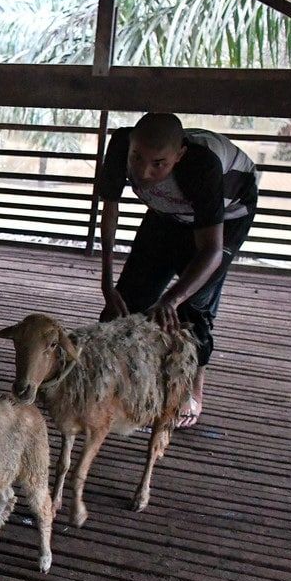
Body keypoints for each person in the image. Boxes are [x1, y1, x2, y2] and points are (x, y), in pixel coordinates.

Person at [96, 113, 259, 428]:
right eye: (137, 158)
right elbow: (110, 211)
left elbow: (210, 250)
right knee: (126, 301)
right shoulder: (120, 145)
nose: (143, 171)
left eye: (158, 163)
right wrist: (106, 280)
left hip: (226, 216)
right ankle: (116, 380)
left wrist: (174, 297)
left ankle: (192, 387)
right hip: (167, 213)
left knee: (193, 307)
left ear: (179, 155)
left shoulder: (203, 164)